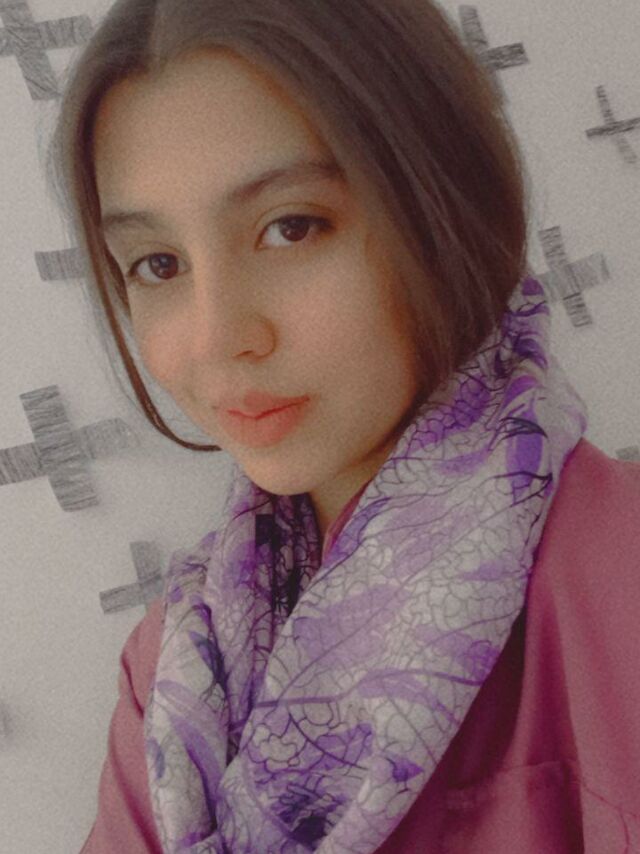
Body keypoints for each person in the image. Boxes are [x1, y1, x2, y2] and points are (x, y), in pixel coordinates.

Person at [44, 1, 640, 852]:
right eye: (157, 263)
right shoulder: (179, 672)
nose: (217, 337)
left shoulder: (615, 587)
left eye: (291, 227)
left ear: (445, 203)